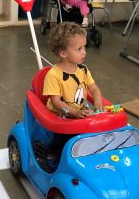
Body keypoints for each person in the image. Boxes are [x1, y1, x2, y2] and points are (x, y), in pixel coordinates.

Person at [43, 23, 104, 159]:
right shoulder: (53, 75)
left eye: (84, 47)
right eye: (79, 49)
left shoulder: (83, 69)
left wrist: (98, 103)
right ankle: (51, 153)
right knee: (64, 136)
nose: (84, 52)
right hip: (61, 115)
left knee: (96, 132)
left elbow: (94, 88)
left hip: (80, 112)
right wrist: (74, 112)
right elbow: (56, 102)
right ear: (63, 53)